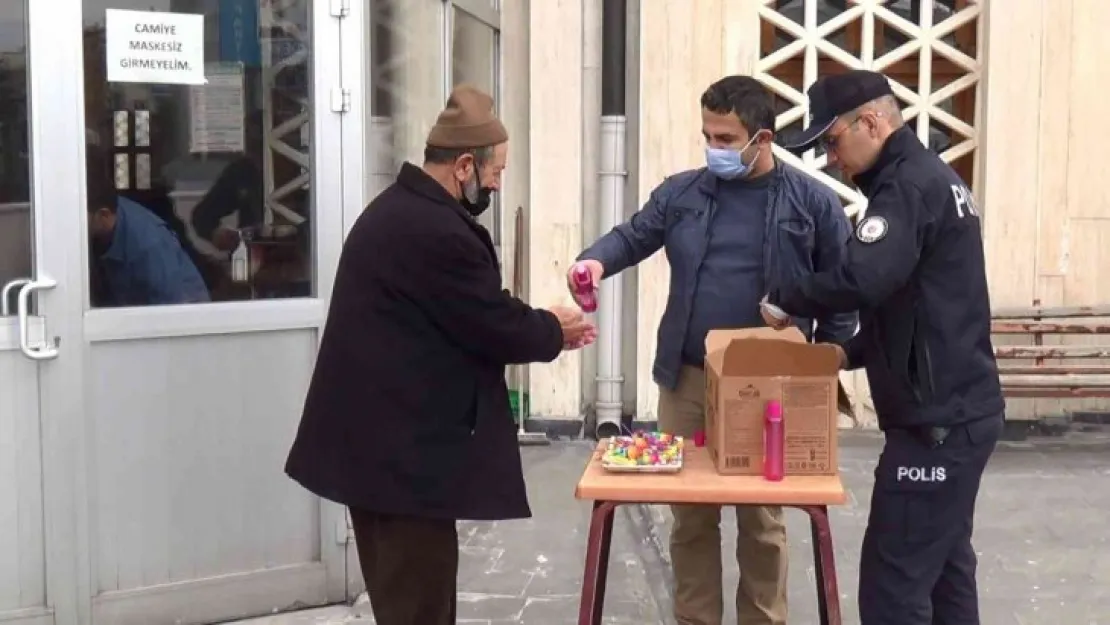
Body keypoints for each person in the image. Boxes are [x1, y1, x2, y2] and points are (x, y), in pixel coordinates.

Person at [283, 84, 595, 625]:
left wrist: (537, 323)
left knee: (412, 598)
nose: (497, 184)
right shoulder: (433, 230)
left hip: (385, 455)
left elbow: (466, 311)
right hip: (399, 465)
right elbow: (488, 322)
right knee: (418, 607)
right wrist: (553, 329)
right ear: (465, 166)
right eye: (495, 173)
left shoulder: (402, 211)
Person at [570, 75, 857, 625]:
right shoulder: (682, 194)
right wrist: (594, 262)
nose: (714, 149)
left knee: (763, 522)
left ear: (763, 139)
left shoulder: (812, 204)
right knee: (691, 518)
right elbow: (633, 235)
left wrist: (827, 362)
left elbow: (843, 291)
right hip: (687, 379)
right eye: (708, 135)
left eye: (726, 139)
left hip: (769, 387)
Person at [766, 69, 1005, 625]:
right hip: (960, 411)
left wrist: (787, 298)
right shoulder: (927, 179)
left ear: (871, 122)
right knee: (945, 570)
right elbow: (909, 303)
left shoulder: (906, 188)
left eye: (831, 141)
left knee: (892, 588)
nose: (830, 159)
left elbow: (863, 279)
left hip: (936, 426)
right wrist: (846, 354)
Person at [86, 153, 210, 307]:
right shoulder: (103, 221)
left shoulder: (150, 245)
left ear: (103, 215)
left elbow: (175, 310)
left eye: (79, 215)